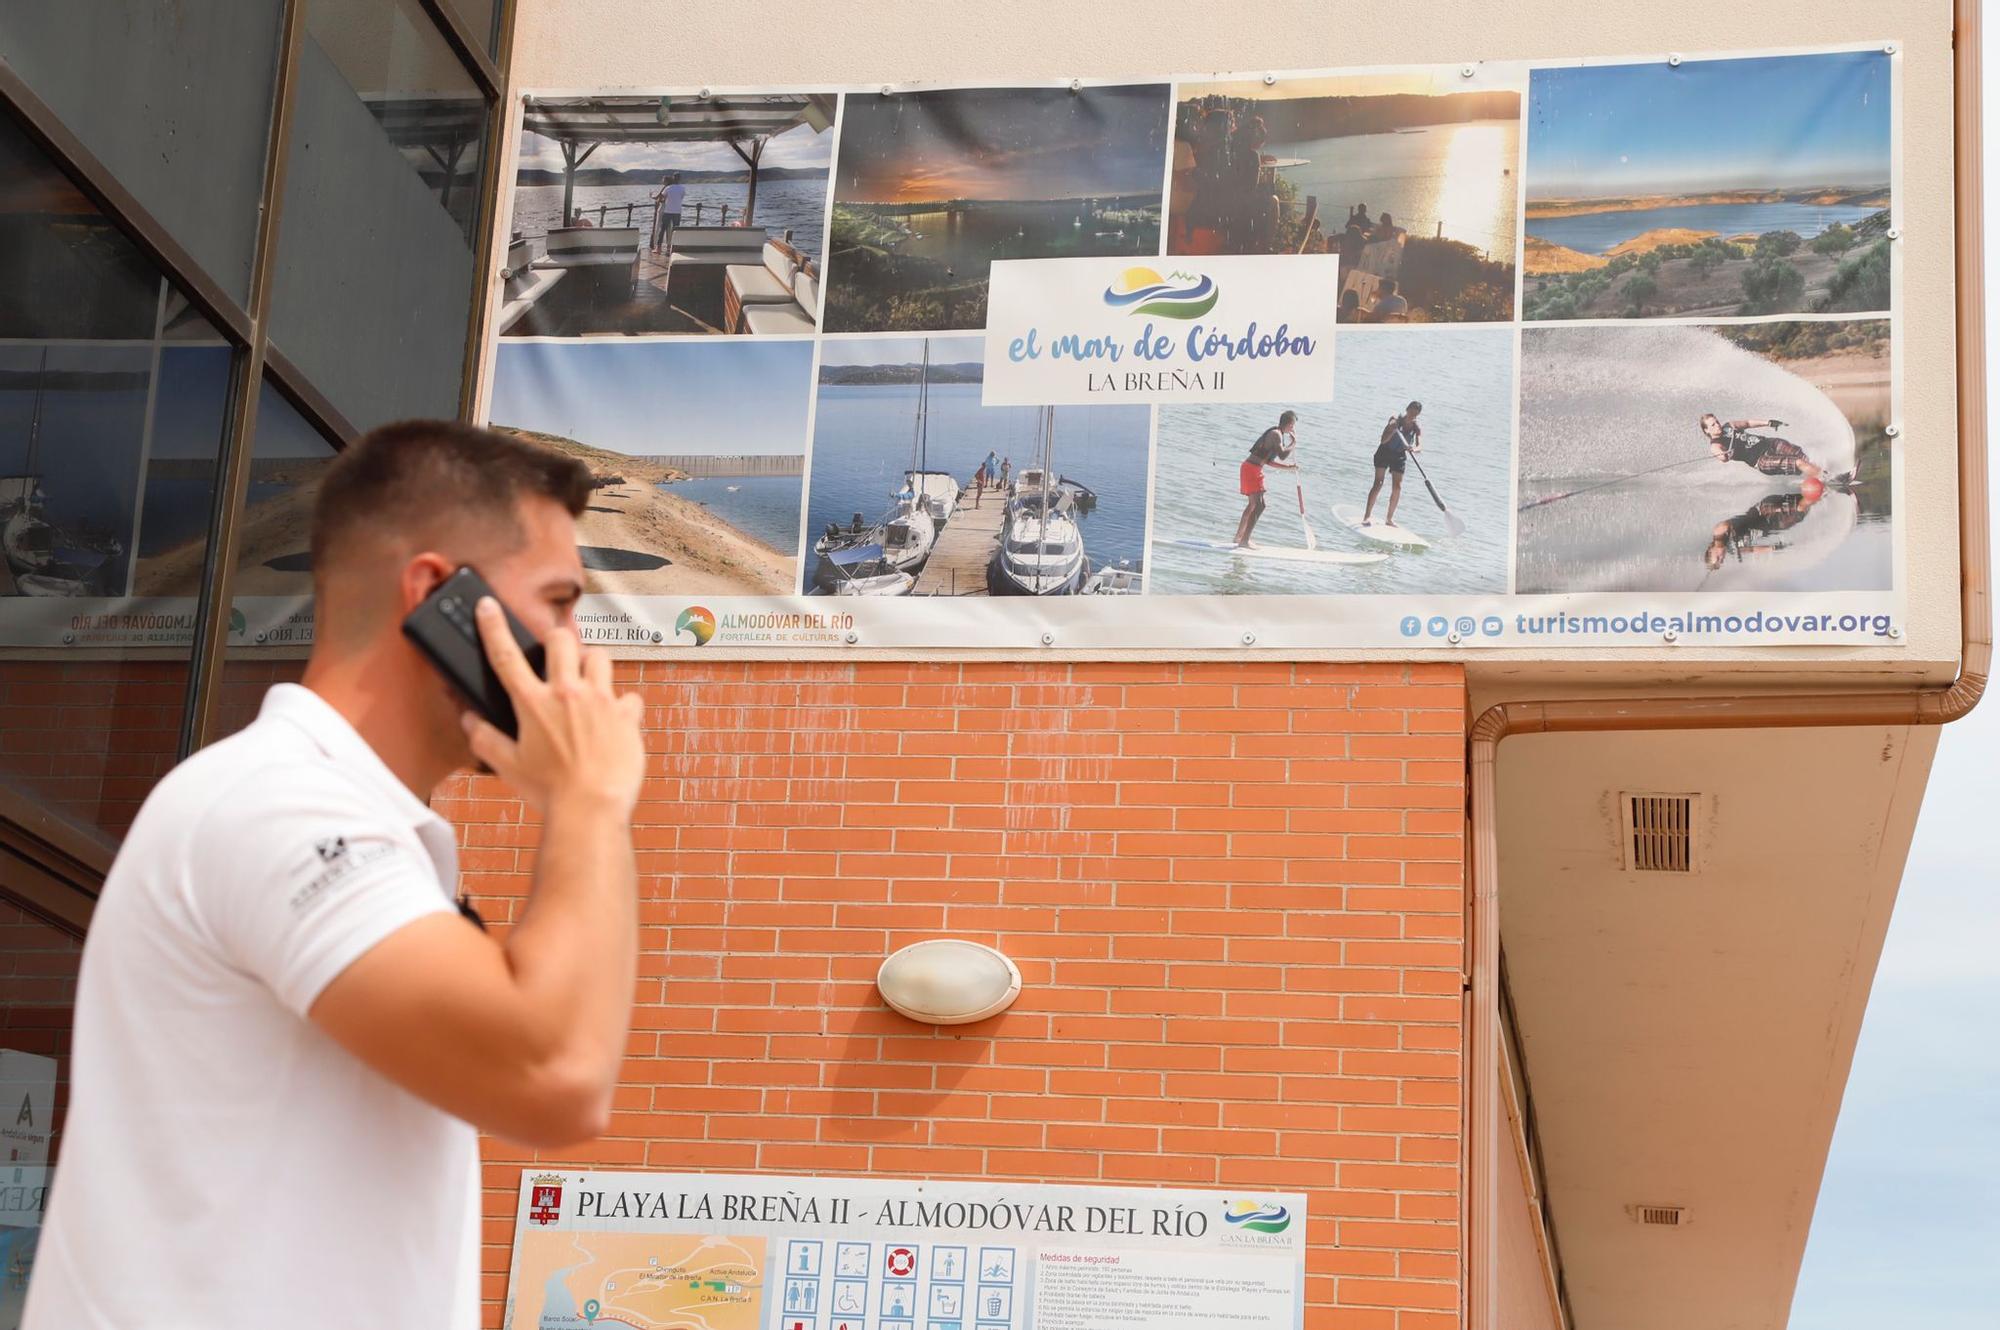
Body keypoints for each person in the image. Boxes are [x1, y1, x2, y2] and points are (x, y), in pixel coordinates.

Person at [23, 423, 646, 1330]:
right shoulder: (279, 803)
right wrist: (588, 800)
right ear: (439, 595)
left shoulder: (339, 817)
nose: (578, 648)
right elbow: (556, 1073)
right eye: (557, 601)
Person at [1704, 489, 1822, 571]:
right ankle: (1824, 491)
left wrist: (1723, 543)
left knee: (1799, 506)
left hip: (1765, 511)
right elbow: (1753, 549)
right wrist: (1774, 548)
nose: (1722, 557)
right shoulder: (1734, 550)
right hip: (1775, 524)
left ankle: (1821, 489)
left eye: (1718, 557)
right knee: (1802, 508)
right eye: (1722, 560)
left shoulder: (1719, 534)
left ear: (1710, 550)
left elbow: (1723, 526)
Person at [1233, 409, 1300, 548]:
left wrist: (1288, 467)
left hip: (1251, 467)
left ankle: (1239, 537)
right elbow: (1282, 454)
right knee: (1260, 505)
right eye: (1292, 425)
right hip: (1251, 469)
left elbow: (1267, 461)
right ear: (1288, 424)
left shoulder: (1277, 434)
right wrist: (1293, 443)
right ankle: (1244, 541)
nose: (1293, 429)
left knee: (1253, 505)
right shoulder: (1276, 434)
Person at [1699, 414, 1826, 482]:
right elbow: (1721, 456)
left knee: (1800, 455)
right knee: (1798, 463)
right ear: (1707, 430)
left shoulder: (1729, 426)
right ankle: (1830, 479)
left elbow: (1748, 423)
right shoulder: (1715, 445)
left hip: (1768, 443)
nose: (1718, 425)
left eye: (1717, 422)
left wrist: (1769, 422)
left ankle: (1824, 473)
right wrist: (1726, 454)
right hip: (1761, 460)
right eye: (1713, 425)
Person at [1363, 400, 1423, 526]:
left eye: (1415, 414)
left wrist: (1413, 449)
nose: (1412, 415)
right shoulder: (1395, 419)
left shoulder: (1416, 427)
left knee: (1397, 487)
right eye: (1411, 412)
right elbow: (1383, 440)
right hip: (1384, 451)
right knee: (1378, 483)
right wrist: (1392, 429)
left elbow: (1419, 446)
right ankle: (1367, 516)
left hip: (1399, 455)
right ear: (1407, 409)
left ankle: (1389, 519)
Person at [652, 172, 686, 252]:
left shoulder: (668, 188)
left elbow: (661, 198)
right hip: (677, 212)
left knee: (662, 229)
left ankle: (658, 248)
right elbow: (681, 197)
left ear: (673, 178)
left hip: (668, 211)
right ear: (680, 179)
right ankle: (673, 248)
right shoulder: (682, 188)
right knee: (676, 230)